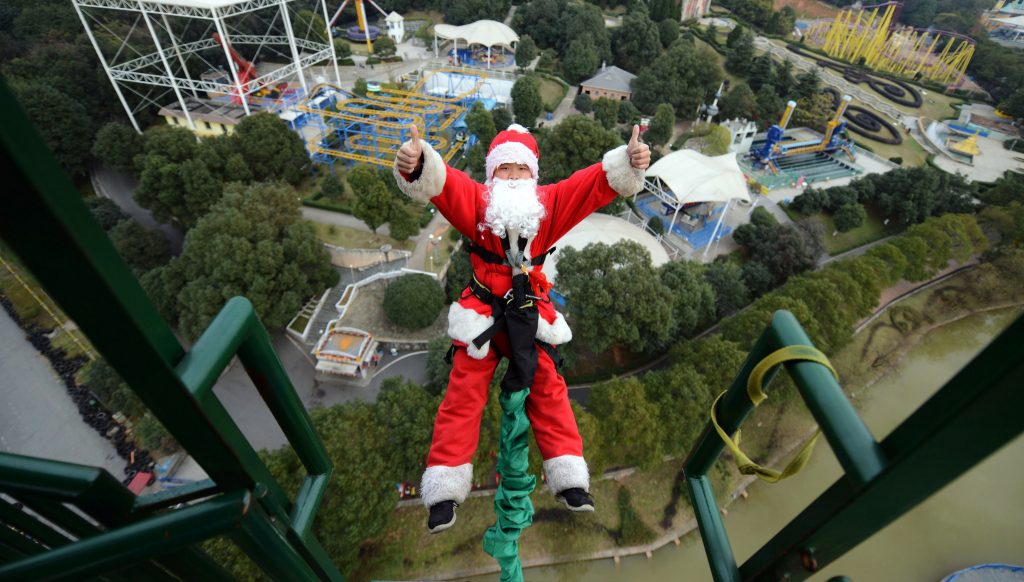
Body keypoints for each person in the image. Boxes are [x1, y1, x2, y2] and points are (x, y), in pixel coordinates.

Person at [393, 122, 650, 533]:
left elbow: (592, 184)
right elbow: (444, 184)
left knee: (549, 384)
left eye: (521, 170)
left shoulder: (549, 205)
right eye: (504, 170)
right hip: (483, 312)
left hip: (529, 310)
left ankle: (568, 478)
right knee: (463, 390)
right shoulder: (477, 202)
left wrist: (628, 160)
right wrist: (418, 164)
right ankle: (444, 488)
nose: (512, 177)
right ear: (491, 175)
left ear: (534, 175)